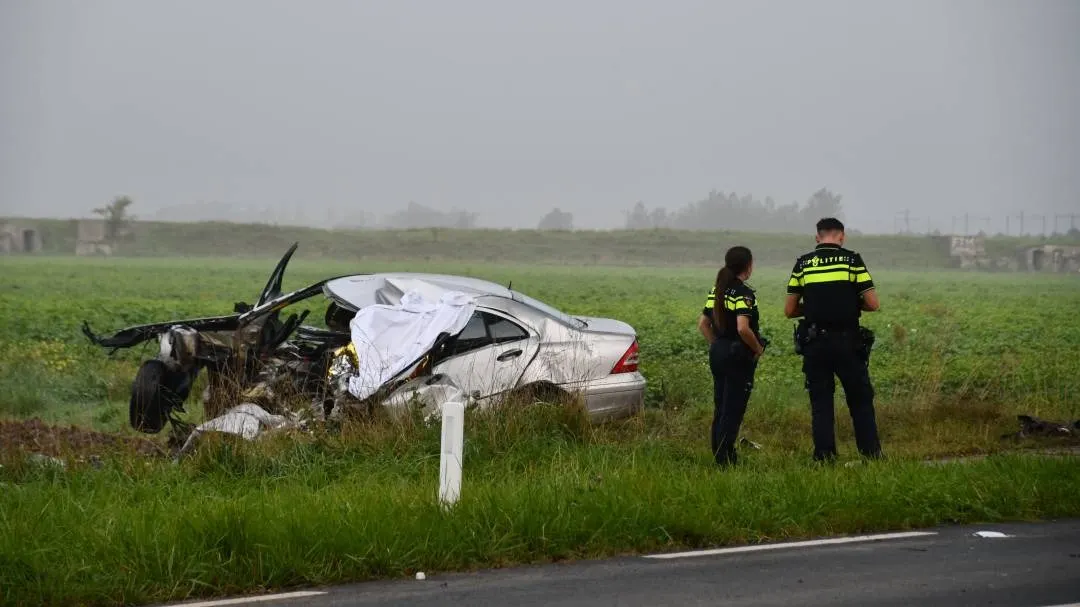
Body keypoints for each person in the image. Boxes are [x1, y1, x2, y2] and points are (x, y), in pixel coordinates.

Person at [784, 217, 883, 463]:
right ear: (842, 236)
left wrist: (817, 308)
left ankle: (824, 456)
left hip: (815, 343)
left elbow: (789, 310)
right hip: (848, 342)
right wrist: (846, 304)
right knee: (860, 399)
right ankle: (871, 455)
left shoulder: (803, 264)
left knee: (821, 402)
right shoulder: (852, 260)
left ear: (817, 237)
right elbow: (873, 303)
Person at [700, 245, 766, 467]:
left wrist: (717, 344)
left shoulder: (716, 290)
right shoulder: (743, 293)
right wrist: (757, 348)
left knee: (720, 405)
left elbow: (703, 324)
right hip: (738, 357)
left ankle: (719, 454)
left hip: (718, 353)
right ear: (748, 266)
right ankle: (727, 459)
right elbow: (742, 328)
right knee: (734, 407)